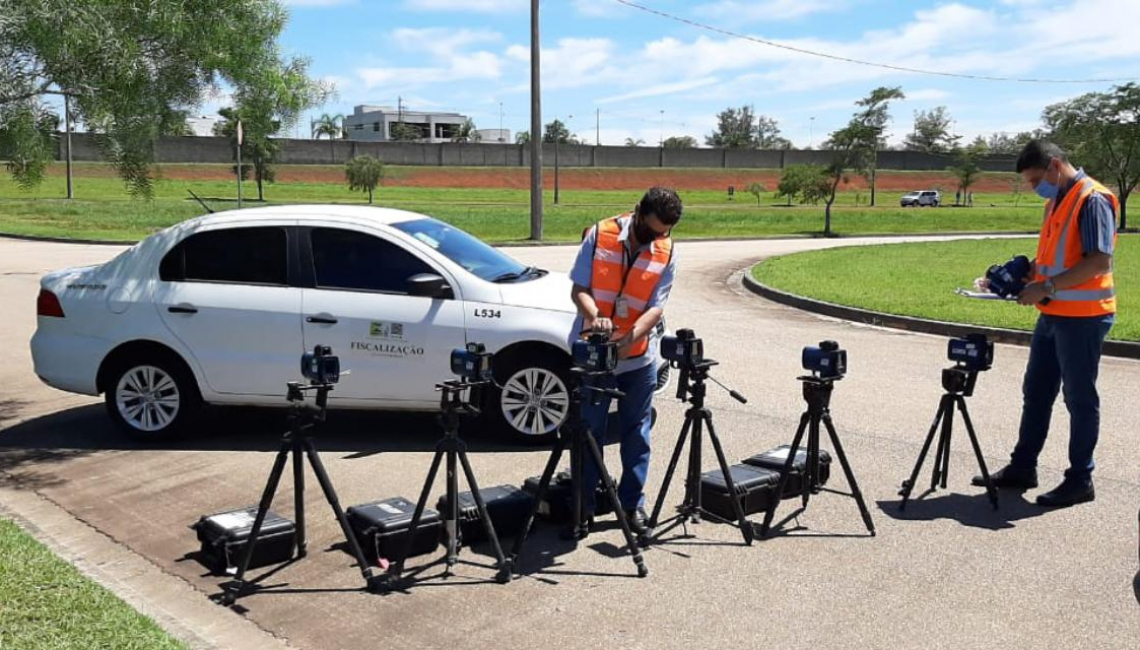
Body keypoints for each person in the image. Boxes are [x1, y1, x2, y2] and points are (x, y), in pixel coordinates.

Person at [973, 140, 1117, 507]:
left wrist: (1046, 286)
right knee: (1036, 392)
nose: (1036, 188)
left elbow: (1099, 261)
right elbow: (1057, 259)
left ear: (1055, 165)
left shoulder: (1092, 199)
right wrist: (1018, 277)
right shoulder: (1058, 200)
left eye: (1037, 179)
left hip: (1084, 318)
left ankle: (1080, 479)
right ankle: (1023, 466)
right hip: (1054, 314)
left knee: (1079, 398)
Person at [568, 186, 681, 536]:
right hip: (593, 353)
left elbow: (656, 306)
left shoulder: (666, 249)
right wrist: (595, 317)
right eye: (650, 230)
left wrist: (630, 337)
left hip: (637, 357)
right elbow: (579, 289)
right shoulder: (599, 234)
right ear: (637, 212)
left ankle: (632, 507)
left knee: (637, 433)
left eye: (662, 232)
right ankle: (582, 509)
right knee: (589, 433)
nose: (655, 238)